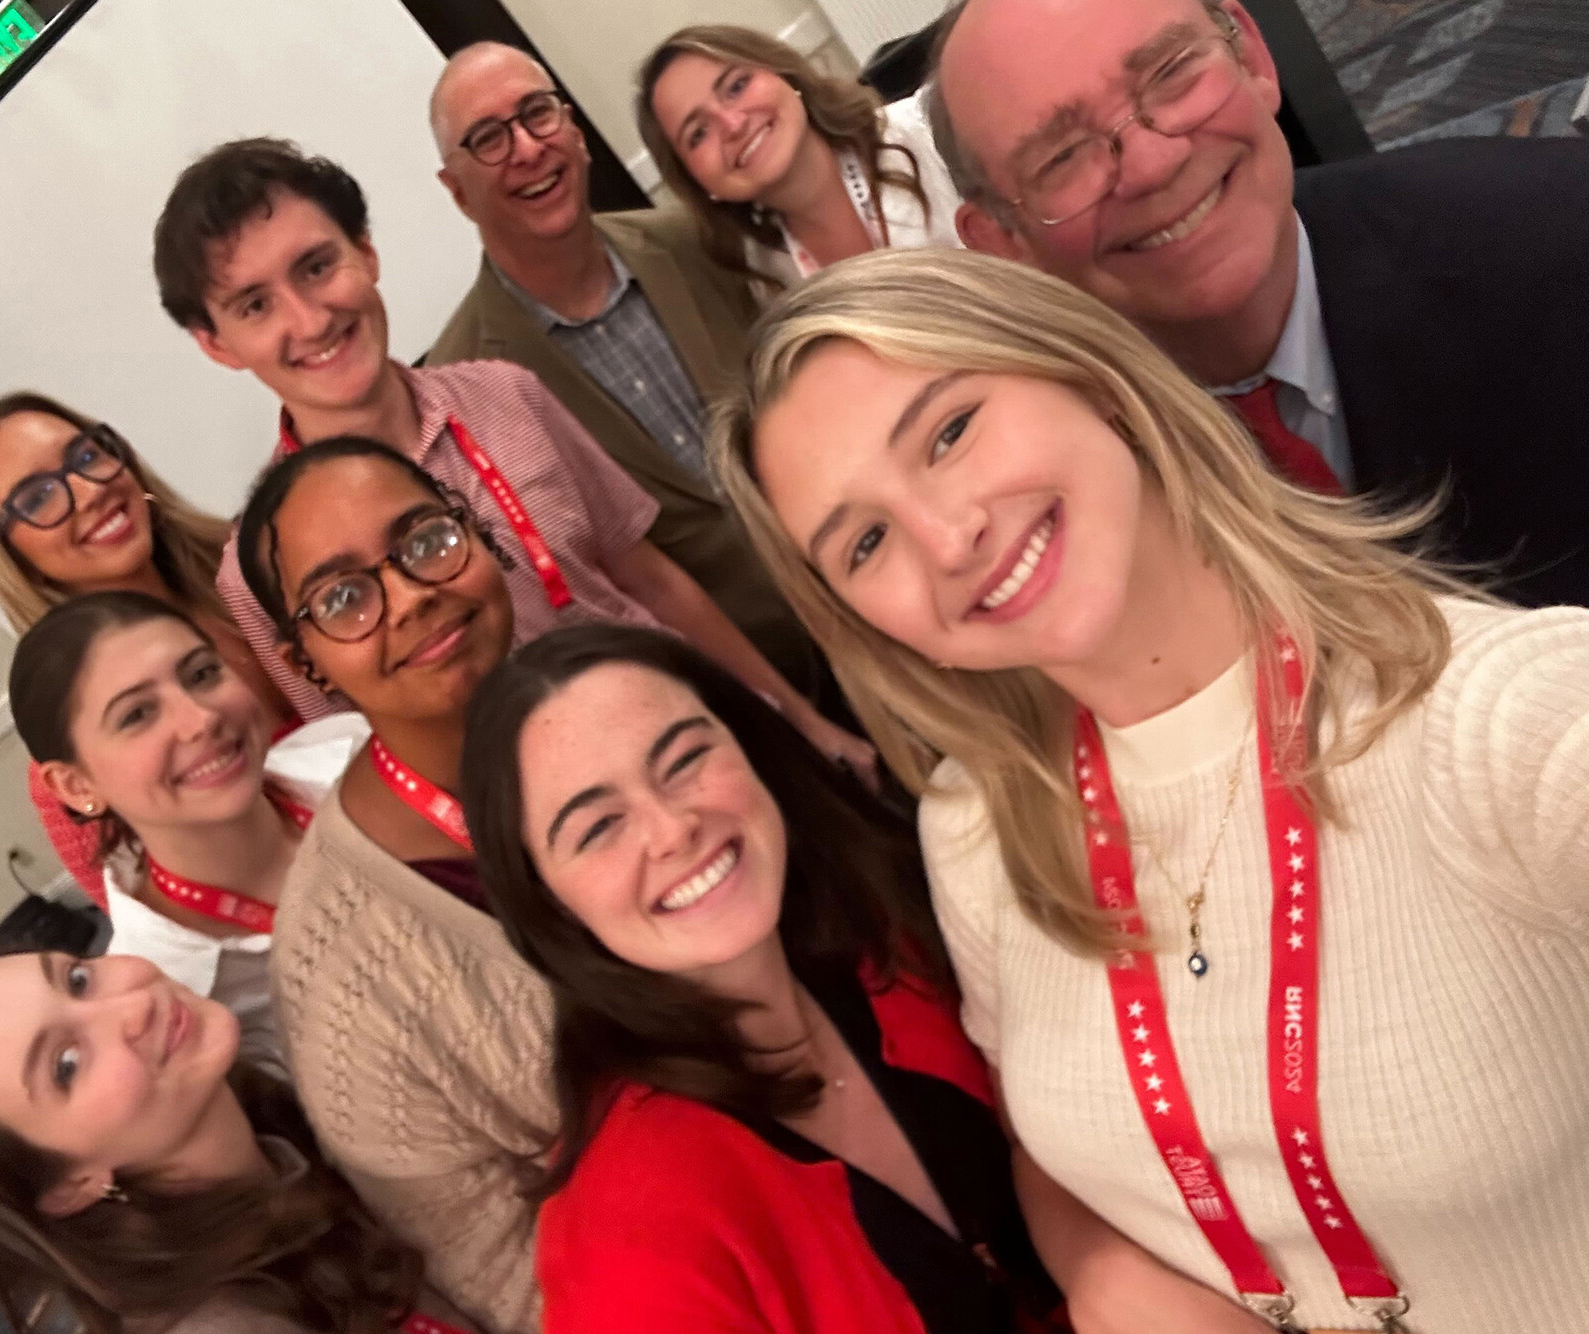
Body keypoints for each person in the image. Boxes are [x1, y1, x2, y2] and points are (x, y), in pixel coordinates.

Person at [711, 246, 1589, 1333]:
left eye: (949, 431)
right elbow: (1059, 1149)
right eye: (867, 540)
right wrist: (1108, 1279)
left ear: (1087, 376)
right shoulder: (978, 831)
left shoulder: (1503, 715)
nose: (946, 539)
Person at [150, 136, 872, 778]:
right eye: (253, 306)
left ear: (365, 254)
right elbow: (366, 753)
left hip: (707, 730)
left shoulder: (507, 394)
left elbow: (649, 579)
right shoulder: (257, 566)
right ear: (216, 344)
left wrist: (797, 723)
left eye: (316, 267)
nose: (309, 320)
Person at [460, 624, 1065, 1333]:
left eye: (684, 759)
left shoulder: (895, 932)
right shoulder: (625, 1237)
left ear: (749, 746)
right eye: (598, 828)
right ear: (549, 902)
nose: (673, 828)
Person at [927, 0, 1589, 607]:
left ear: (1252, 59)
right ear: (1000, 245)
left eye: (1172, 74)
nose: (1153, 163)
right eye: (1063, 156)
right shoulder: (1033, 509)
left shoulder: (1556, 241)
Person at [236, 437, 555, 1334]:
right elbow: (510, 1283)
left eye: (423, 540)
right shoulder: (344, 978)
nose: (412, 595)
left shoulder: (630, 693)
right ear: (304, 663)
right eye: (344, 598)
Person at [425, 43, 824, 700]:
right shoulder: (463, 385)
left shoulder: (697, 242)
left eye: (537, 114)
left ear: (575, 132)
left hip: (868, 596)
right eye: (489, 139)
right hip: (729, 696)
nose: (527, 148)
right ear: (457, 189)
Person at [0, 945, 475, 1334]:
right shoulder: (223, 1324)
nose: (131, 1007)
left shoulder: (296, 1119)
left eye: (77, 980)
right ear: (70, 1185)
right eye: (66, 1064)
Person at [0, 393, 298, 896]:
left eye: (87, 456)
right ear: (10, 558)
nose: (88, 492)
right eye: (37, 498)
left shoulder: (268, 561)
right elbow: (172, 941)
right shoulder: (77, 764)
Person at [8, 592, 366, 1077]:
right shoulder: (164, 1008)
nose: (200, 719)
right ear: (78, 786)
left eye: (201, 674)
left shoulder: (359, 754)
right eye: (137, 714)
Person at [637, 24, 961, 297]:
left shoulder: (934, 130)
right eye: (698, 133)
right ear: (696, 180)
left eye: (737, 86)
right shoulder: (765, 282)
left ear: (785, 76)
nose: (733, 125)